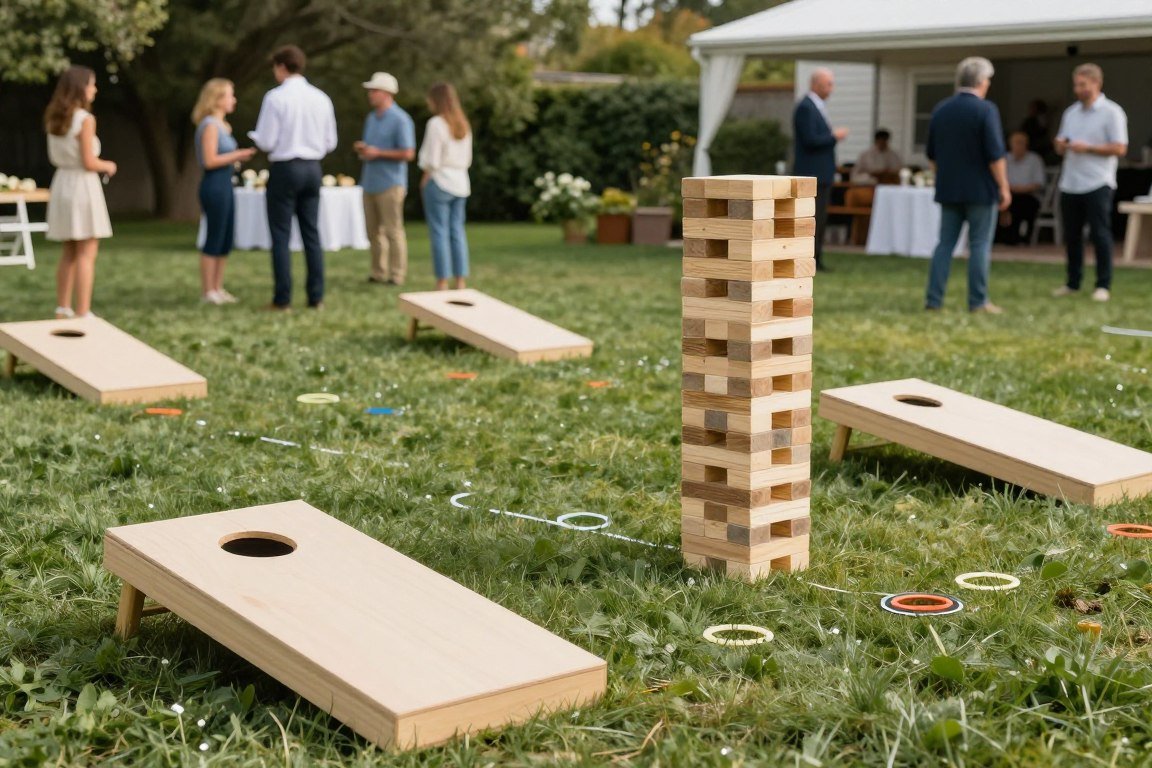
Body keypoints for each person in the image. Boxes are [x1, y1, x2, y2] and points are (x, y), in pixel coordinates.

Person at [248, 45, 338, 310]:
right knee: (311, 233)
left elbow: (267, 140)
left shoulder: (276, 97)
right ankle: (316, 297)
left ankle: (282, 299)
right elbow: (330, 142)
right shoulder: (321, 98)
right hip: (312, 168)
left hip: (285, 168)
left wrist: (256, 138)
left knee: (281, 235)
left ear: (281, 67)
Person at [923, 57, 1011, 314]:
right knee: (979, 245)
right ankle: (978, 301)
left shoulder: (941, 109)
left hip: (949, 189)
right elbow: (995, 155)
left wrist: (943, 176)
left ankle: (934, 300)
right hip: (981, 190)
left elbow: (931, 155)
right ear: (981, 81)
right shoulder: (986, 110)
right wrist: (1004, 186)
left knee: (945, 244)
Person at [44, 66, 116, 320]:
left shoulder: (54, 117)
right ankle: (83, 311)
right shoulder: (85, 119)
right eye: (91, 84)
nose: (94, 89)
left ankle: (62, 307)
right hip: (82, 186)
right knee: (87, 252)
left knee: (69, 251)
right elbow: (88, 161)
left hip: (62, 183)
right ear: (81, 87)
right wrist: (108, 165)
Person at [1051, 64, 1128, 303]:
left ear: (1097, 83)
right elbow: (1060, 144)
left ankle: (1103, 285)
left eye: (1083, 84)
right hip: (1070, 182)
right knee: (1072, 236)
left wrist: (1089, 148)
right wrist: (1061, 145)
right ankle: (1072, 283)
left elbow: (1120, 148)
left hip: (1098, 181)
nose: (1078, 89)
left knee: (1100, 234)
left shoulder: (1112, 112)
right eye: (1076, 85)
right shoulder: (1071, 113)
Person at [192, 78, 256, 304]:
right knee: (215, 234)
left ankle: (218, 287)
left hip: (226, 184)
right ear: (216, 99)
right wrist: (238, 155)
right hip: (214, 185)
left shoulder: (224, 126)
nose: (233, 100)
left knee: (226, 236)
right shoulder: (210, 125)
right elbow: (209, 160)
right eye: (229, 95)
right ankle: (207, 290)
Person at [353, 72, 415, 286]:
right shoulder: (371, 118)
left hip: (391, 184)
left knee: (393, 231)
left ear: (387, 93)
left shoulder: (401, 119)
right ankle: (378, 272)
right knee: (373, 231)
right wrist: (365, 150)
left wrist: (378, 153)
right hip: (370, 181)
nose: (370, 94)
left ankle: (397, 274)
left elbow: (408, 153)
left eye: (374, 90)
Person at [793, 68, 848, 272]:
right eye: (828, 84)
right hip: (812, 173)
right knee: (813, 218)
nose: (831, 89)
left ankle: (816, 258)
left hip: (822, 173)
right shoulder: (806, 107)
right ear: (816, 84)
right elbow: (810, 140)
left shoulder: (816, 106)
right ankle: (809, 259)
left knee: (821, 218)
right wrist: (834, 136)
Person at [418, 82, 472, 291]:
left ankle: (442, 281)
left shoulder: (436, 124)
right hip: (461, 182)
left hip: (440, 180)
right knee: (457, 231)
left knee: (439, 231)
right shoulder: (463, 124)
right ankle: (460, 280)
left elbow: (432, 159)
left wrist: (425, 179)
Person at [995, 131, 1046, 246]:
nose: (1018, 146)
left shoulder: (1034, 159)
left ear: (1026, 145)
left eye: (1021, 143)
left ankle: (1018, 238)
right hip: (1009, 194)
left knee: (1021, 203)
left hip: (1029, 195)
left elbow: (1039, 183)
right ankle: (1000, 237)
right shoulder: (1005, 159)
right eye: (1015, 143)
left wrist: (1020, 189)